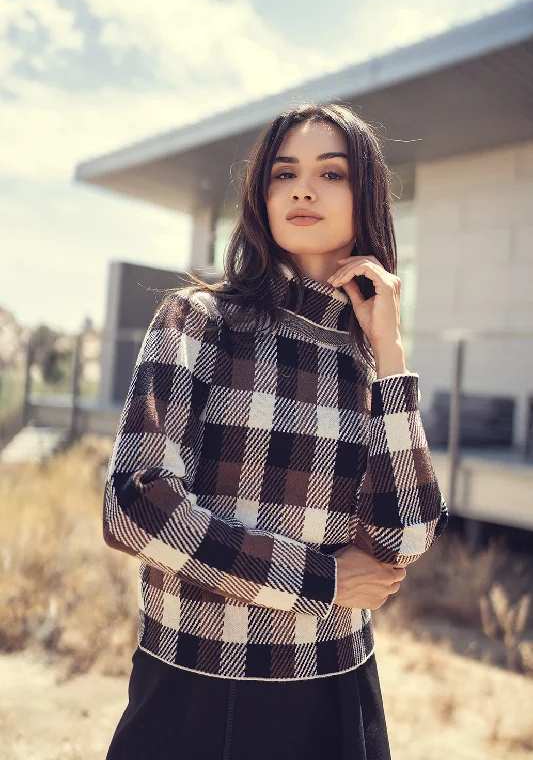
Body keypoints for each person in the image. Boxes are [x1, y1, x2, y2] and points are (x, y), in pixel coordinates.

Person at [103, 102, 449, 759]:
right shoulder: (201, 319)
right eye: (283, 172)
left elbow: (402, 538)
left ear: (367, 194)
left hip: (338, 689)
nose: (303, 188)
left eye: (332, 173)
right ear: (261, 194)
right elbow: (136, 508)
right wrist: (318, 580)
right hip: (198, 685)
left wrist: (392, 357)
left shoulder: (369, 355)